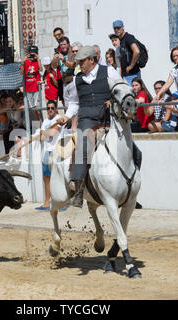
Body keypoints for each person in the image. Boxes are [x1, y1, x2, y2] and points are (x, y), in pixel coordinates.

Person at [56, 46, 142, 208]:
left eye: (82, 62)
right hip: (87, 120)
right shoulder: (77, 80)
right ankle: (79, 190)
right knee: (82, 146)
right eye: (78, 62)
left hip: (108, 118)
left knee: (136, 151)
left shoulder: (109, 72)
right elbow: (74, 102)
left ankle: (132, 190)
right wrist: (67, 116)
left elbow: (121, 89)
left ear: (91, 60)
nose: (79, 65)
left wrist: (112, 99)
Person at [35, 100, 61, 211]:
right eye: (48, 108)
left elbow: (51, 134)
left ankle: (60, 202)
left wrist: (44, 132)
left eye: (52, 108)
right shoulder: (46, 121)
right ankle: (47, 201)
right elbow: (42, 138)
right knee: (46, 177)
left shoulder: (59, 119)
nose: (50, 110)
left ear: (55, 109)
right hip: (47, 150)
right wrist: (45, 133)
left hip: (57, 150)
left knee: (58, 177)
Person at [152, 47, 178, 115]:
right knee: (166, 101)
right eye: (174, 56)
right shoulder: (174, 70)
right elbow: (167, 84)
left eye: (177, 55)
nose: (175, 58)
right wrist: (158, 95)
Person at [113, 20, 142, 84]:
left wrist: (131, 66)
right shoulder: (121, 39)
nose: (116, 30)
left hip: (132, 74)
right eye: (114, 28)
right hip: (126, 75)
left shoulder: (128, 37)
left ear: (123, 27)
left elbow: (136, 51)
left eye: (118, 28)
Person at [20, 45, 42, 121]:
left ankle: (41, 123)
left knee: (38, 108)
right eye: (31, 53)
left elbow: (41, 69)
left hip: (36, 87)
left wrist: (38, 59)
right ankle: (37, 124)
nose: (32, 55)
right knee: (33, 109)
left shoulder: (37, 61)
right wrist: (23, 62)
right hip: (28, 88)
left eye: (34, 53)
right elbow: (21, 72)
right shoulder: (26, 62)